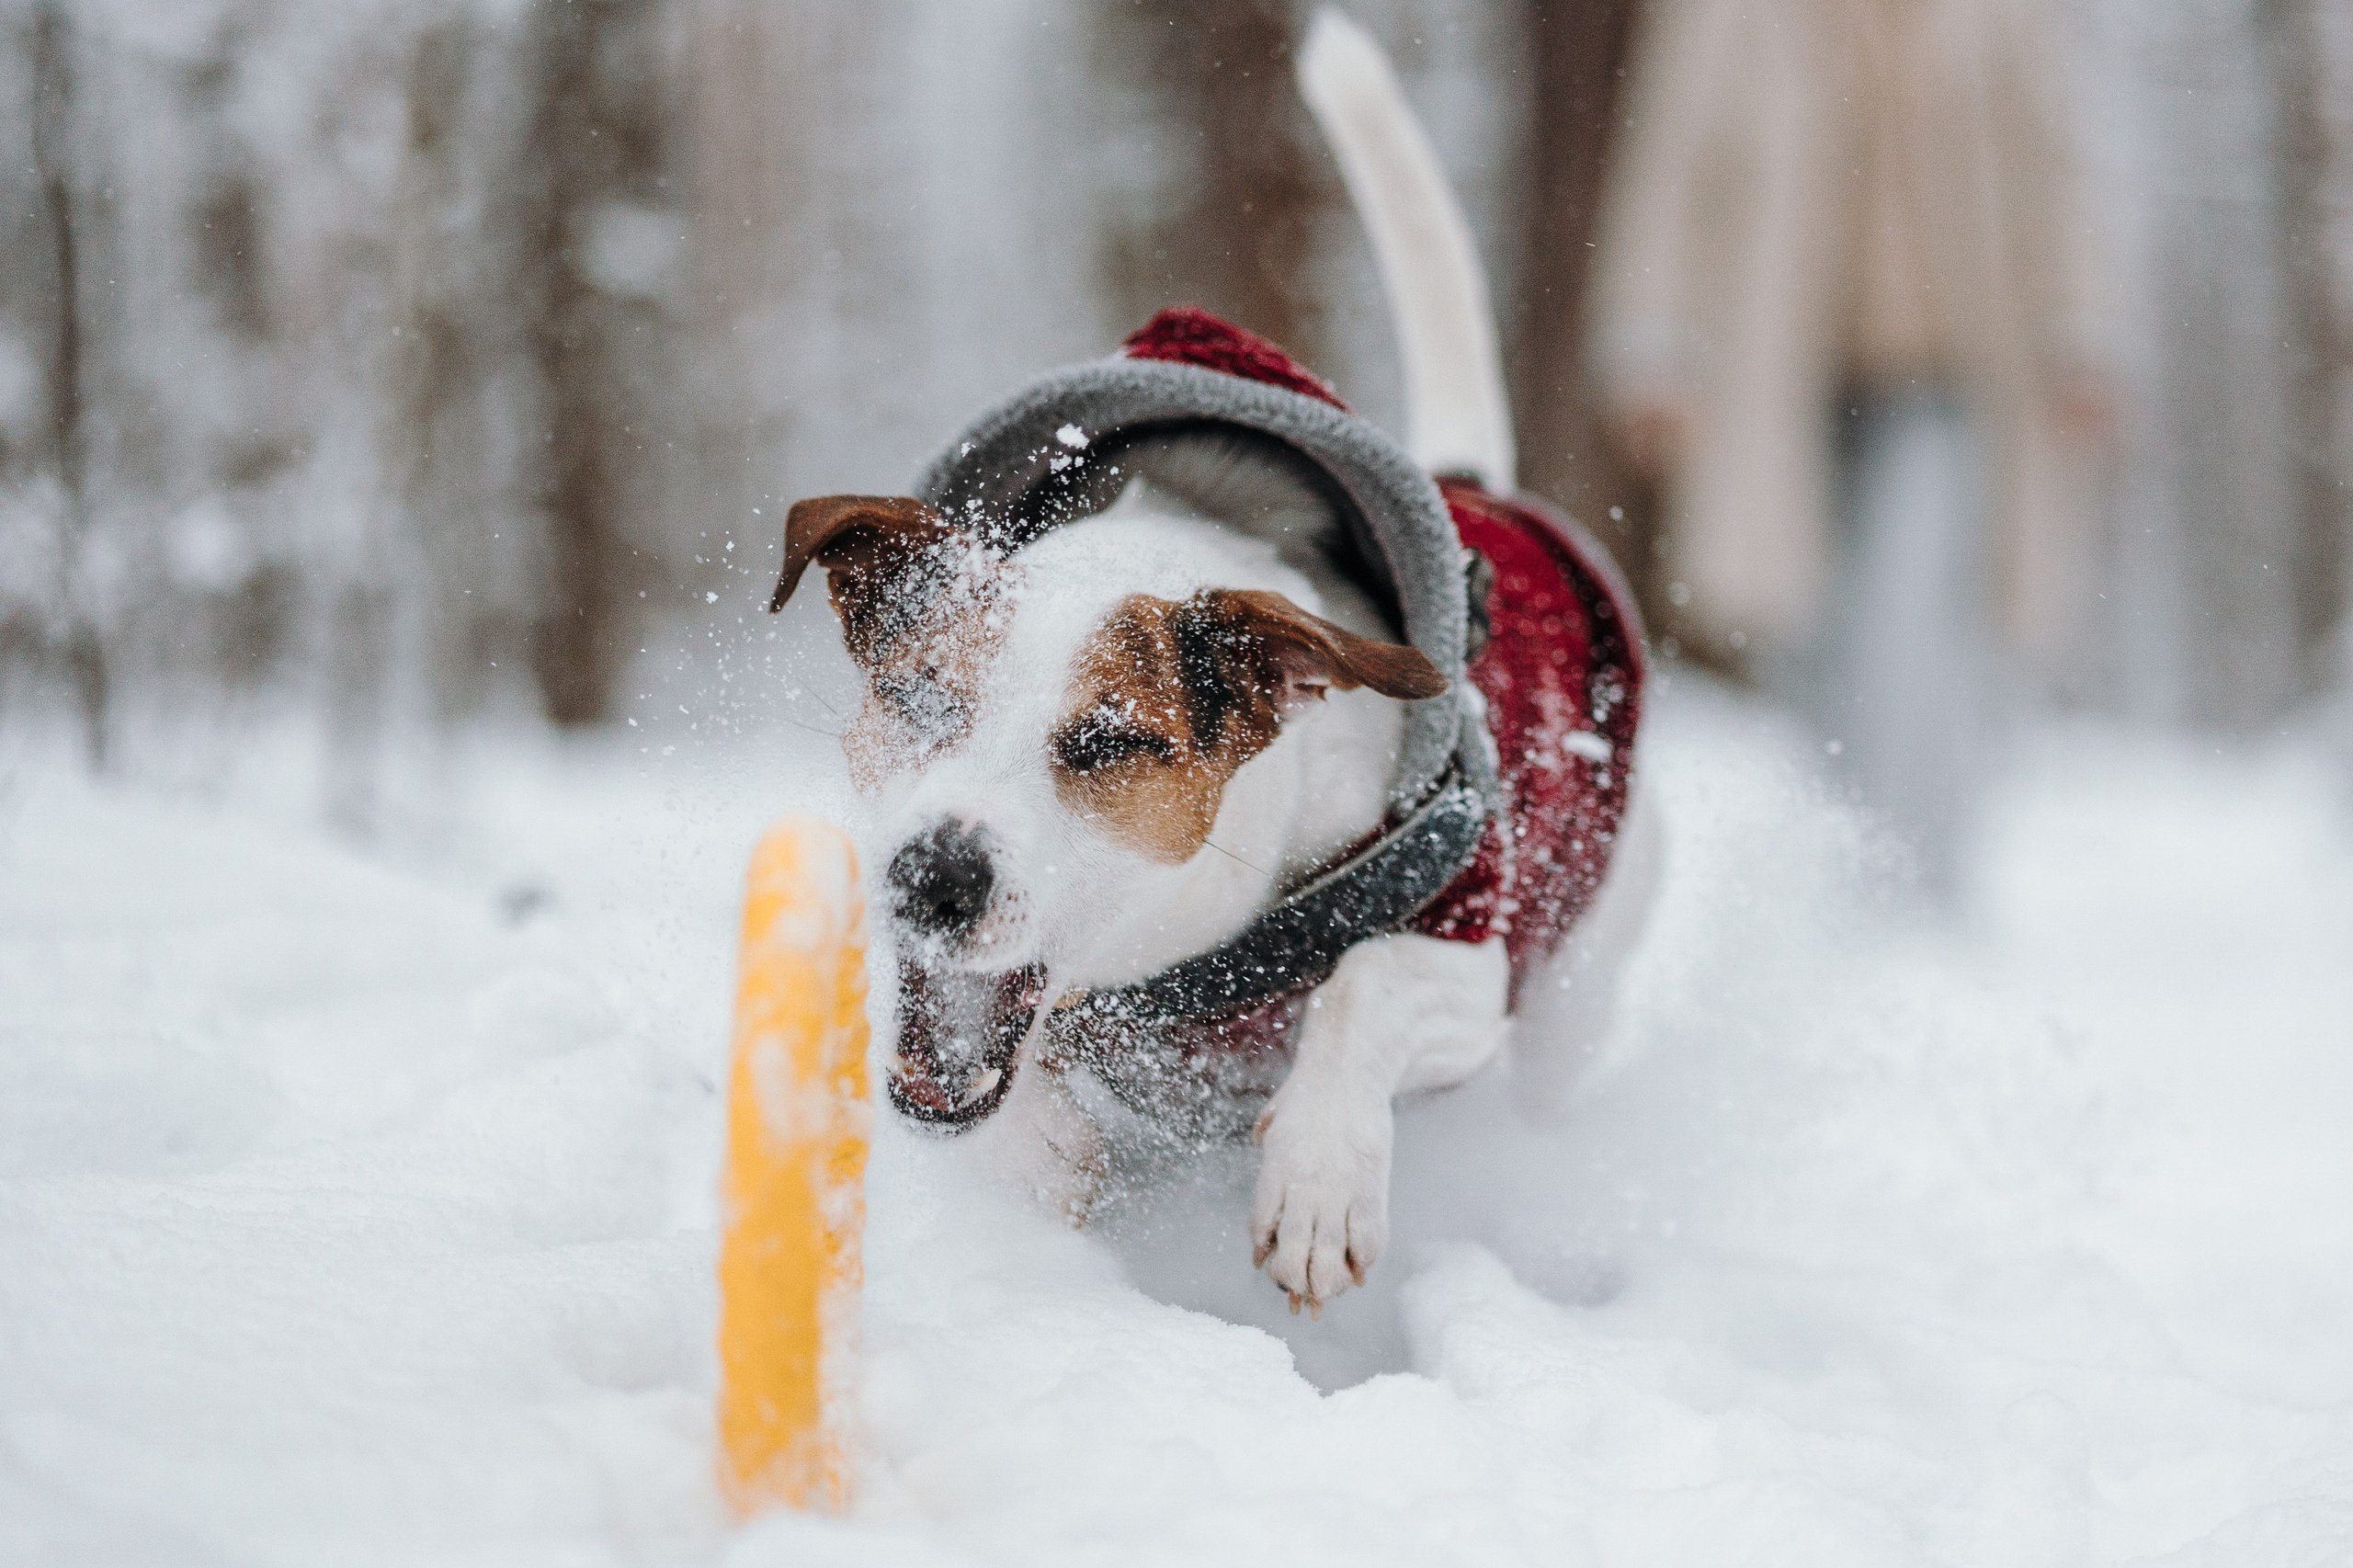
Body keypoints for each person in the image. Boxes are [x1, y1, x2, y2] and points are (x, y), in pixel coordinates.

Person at [1587, 0, 2115, 894]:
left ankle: (1919, 876)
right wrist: (1653, 343)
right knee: (1809, 634)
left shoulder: (2001, 17)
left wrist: (2081, 332)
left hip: (1948, 373)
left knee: (1913, 622)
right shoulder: (1727, 17)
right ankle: (1837, 865)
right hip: (1784, 379)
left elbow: (2049, 168)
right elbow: (1675, 167)